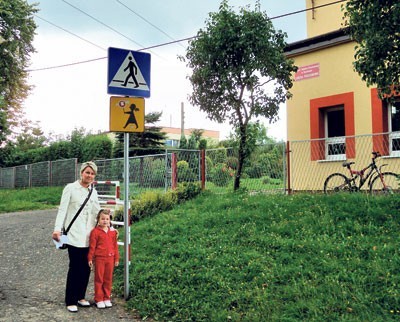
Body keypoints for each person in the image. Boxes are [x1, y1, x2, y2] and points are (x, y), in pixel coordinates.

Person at [52, 161, 101, 313]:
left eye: (92, 173)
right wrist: (57, 229)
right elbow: (63, 210)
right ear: (81, 173)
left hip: (89, 236)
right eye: (87, 172)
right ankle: (70, 299)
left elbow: (97, 212)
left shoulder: (93, 191)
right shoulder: (70, 188)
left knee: (86, 267)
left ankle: (81, 297)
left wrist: (108, 227)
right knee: (75, 267)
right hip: (73, 235)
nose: (90, 176)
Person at [88, 209, 120, 309]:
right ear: (98, 219)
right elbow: (92, 247)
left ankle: (107, 298)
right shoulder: (95, 232)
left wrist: (116, 258)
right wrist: (90, 258)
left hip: (110, 259)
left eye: (107, 219)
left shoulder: (113, 232)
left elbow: (115, 246)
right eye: (102, 219)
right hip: (99, 259)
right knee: (99, 279)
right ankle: (99, 299)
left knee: (108, 279)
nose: (105, 221)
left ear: (110, 220)